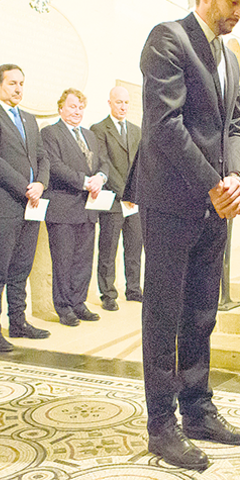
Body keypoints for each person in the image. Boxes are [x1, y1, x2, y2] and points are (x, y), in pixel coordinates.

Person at [122, 0, 240, 471]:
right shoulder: (168, 39)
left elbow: (235, 127)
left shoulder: (229, 55)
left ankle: (198, 409)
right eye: (233, 1)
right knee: (163, 315)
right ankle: (162, 426)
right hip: (173, 199)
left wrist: (238, 177)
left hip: (216, 201)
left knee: (201, 311)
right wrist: (213, 183)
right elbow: (165, 125)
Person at [0, 64, 52, 352]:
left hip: (32, 205)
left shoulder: (30, 120)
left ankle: (18, 321)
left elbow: (43, 157)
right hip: (3, 204)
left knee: (22, 268)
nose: (18, 88)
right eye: (12, 83)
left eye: (21, 83)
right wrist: (25, 186)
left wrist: (41, 184)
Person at [41, 88, 109, 326]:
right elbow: (55, 166)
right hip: (63, 208)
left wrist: (100, 177)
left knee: (83, 260)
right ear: (61, 108)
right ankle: (64, 308)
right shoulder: (50, 133)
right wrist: (84, 181)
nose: (77, 111)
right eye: (72, 106)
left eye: (80, 107)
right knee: (63, 261)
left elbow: (103, 162)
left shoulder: (90, 135)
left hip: (88, 208)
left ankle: (79, 304)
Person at [91, 86, 144, 311]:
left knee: (134, 247)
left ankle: (133, 289)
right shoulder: (99, 129)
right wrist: (125, 193)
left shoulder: (136, 130)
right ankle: (108, 293)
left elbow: (141, 164)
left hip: (134, 202)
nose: (123, 107)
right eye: (118, 102)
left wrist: (136, 193)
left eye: (126, 103)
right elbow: (104, 164)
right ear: (110, 102)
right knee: (108, 248)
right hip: (113, 199)